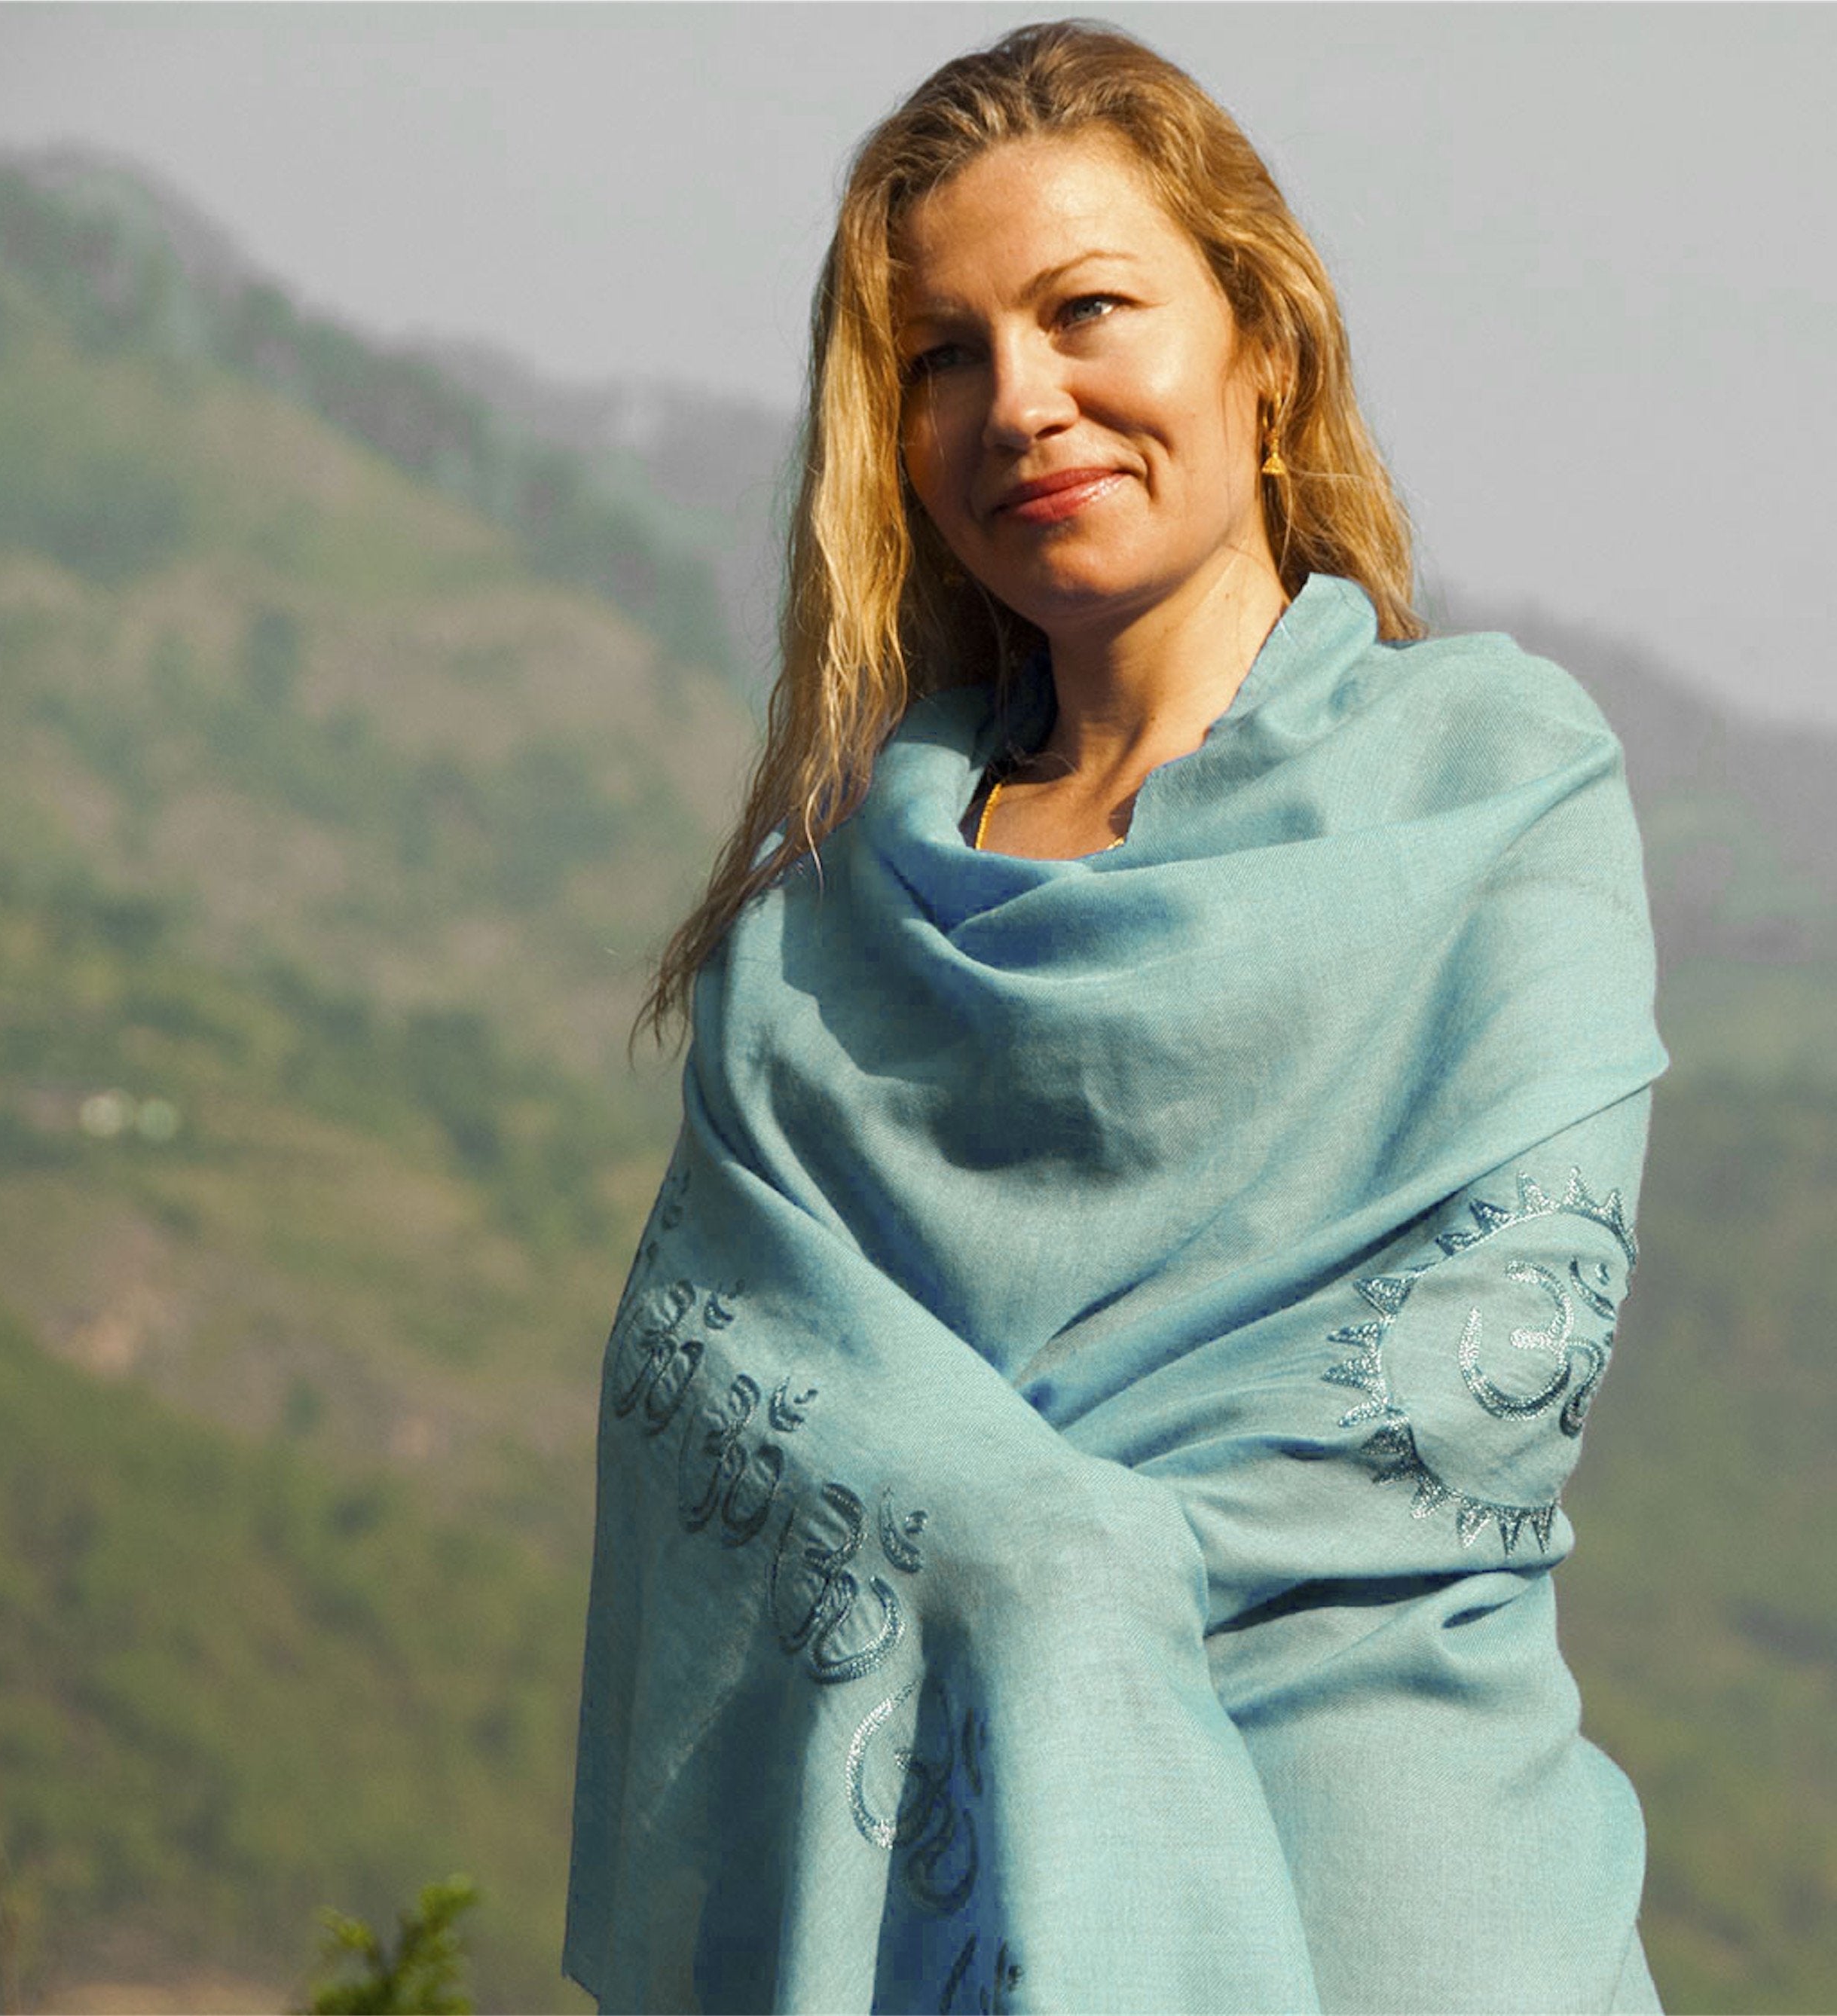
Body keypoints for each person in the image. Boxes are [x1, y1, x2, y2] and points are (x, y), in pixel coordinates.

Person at [567, 21, 1669, 2012]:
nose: (1024, 404)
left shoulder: (1491, 787)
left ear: (1266, 340)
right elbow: (708, 1397)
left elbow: (1471, 1382)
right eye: (943, 356)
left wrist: (1020, 1522)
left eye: (1088, 311)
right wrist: (1022, 1536)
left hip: (1410, 1900)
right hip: (939, 1921)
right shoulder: (821, 932)